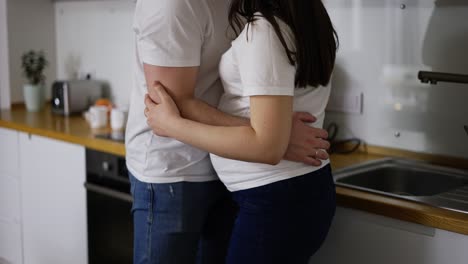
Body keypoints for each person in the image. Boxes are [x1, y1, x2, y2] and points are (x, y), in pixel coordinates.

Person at [126, 0, 332, 263]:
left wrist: (272, 137)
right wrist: (276, 136)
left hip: (256, 183)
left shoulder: (263, 26)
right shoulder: (173, 5)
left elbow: (267, 141)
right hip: (175, 172)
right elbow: (170, 102)